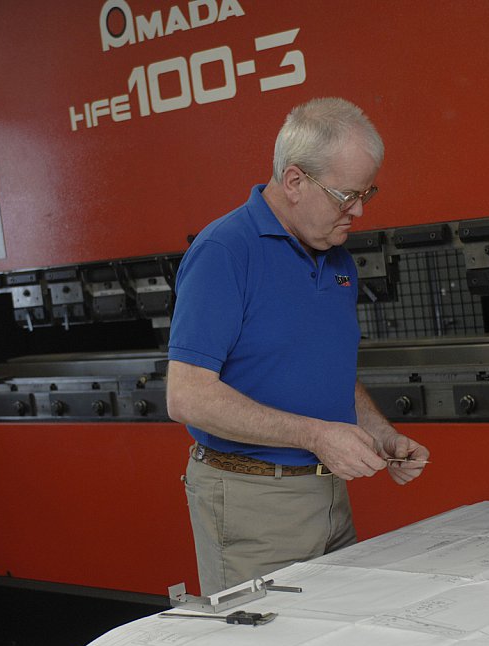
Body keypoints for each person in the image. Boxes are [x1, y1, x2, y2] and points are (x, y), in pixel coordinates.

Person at [166, 96, 430, 600]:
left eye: (366, 193)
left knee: (342, 637)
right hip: (252, 505)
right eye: (346, 196)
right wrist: (316, 435)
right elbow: (188, 397)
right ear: (294, 181)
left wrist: (382, 435)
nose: (358, 210)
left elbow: (326, 370)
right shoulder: (225, 251)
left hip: (329, 496)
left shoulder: (337, 258)